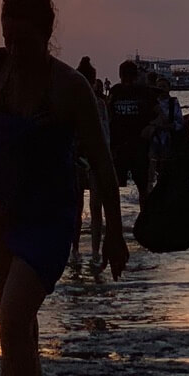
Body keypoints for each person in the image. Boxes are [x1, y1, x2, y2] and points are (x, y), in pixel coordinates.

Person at [0, 0, 129, 376]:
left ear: (47, 35)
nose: (15, 50)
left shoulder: (71, 88)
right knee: (17, 327)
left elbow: (104, 164)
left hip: (48, 219)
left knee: (14, 318)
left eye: (25, 42)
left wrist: (112, 234)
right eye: (8, 39)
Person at [70, 57, 109, 273]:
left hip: (86, 158)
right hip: (85, 158)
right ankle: (89, 251)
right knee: (91, 209)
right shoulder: (95, 104)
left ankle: (82, 251)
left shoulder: (97, 104)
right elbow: (105, 135)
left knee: (84, 208)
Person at [107, 60, 160, 209]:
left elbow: (161, 115)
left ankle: (145, 219)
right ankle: (114, 224)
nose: (127, 82)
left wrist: (151, 126)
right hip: (119, 146)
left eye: (129, 78)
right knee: (113, 186)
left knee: (143, 188)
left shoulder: (145, 92)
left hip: (140, 147)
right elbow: (107, 112)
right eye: (124, 78)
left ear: (135, 76)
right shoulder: (115, 91)